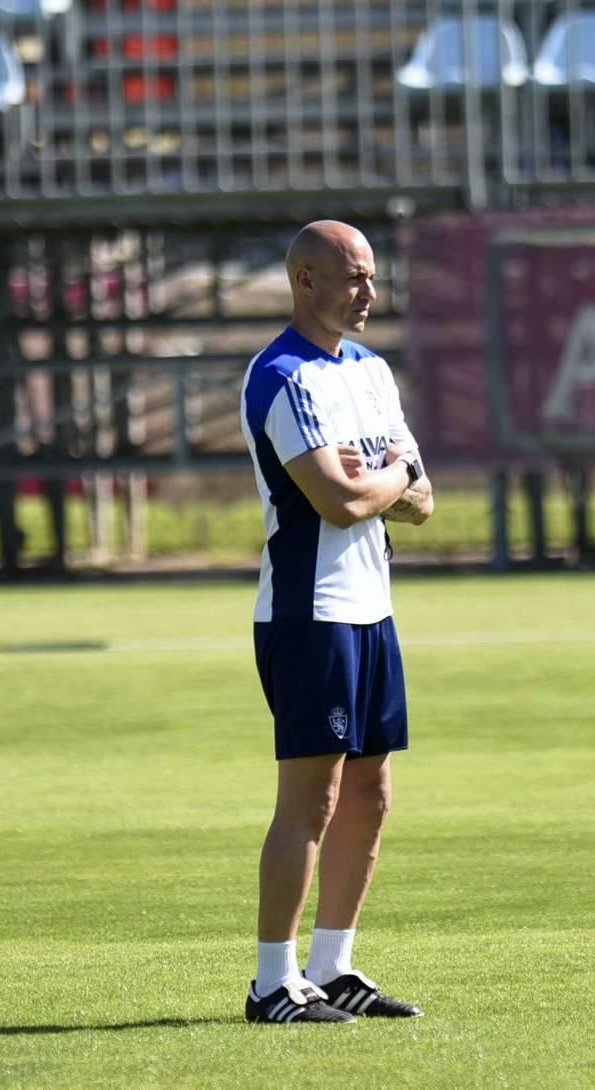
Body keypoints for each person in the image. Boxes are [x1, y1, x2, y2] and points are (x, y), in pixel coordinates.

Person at [239, 220, 433, 1025]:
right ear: (305, 280)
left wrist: (381, 476)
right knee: (310, 799)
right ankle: (270, 983)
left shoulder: (372, 371)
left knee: (372, 793)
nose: (369, 293)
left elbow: (422, 499)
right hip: (308, 612)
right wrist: (387, 477)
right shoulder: (281, 376)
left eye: (373, 277)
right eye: (353, 277)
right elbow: (339, 500)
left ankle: (334, 965)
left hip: (371, 607)